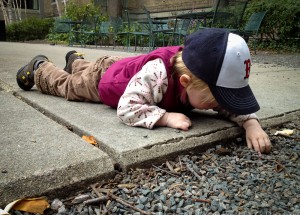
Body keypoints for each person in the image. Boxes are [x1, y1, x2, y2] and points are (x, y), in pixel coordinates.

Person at [16, 28, 271, 155]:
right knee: (71, 86)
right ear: (185, 82)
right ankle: (41, 67)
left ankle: (76, 60)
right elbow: (127, 108)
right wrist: (165, 117)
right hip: (105, 80)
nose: (219, 106)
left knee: (90, 66)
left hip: (123, 67)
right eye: (215, 99)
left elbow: (228, 105)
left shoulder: (198, 73)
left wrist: (250, 124)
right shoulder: (158, 76)